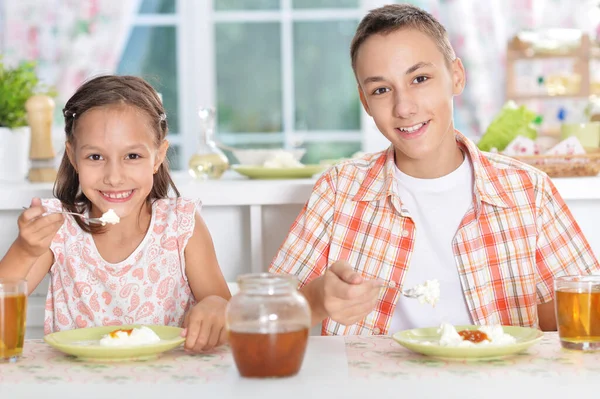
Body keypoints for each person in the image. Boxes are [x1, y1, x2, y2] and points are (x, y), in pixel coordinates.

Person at [270, 3, 599, 336]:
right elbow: (265, 314)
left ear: (456, 76)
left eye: (420, 78)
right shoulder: (339, 190)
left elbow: (583, 310)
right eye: (381, 90)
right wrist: (314, 301)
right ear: (365, 101)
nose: (404, 107)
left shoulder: (529, 191)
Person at [0, 75, 231, 352]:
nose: (114, 177)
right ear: (73, 157)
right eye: (95, 157)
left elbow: (222, 307)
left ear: (157, 157)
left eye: (132, 156)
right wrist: (25, 251)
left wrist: (217, 308)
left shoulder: (181, 224)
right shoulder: (58, 227)